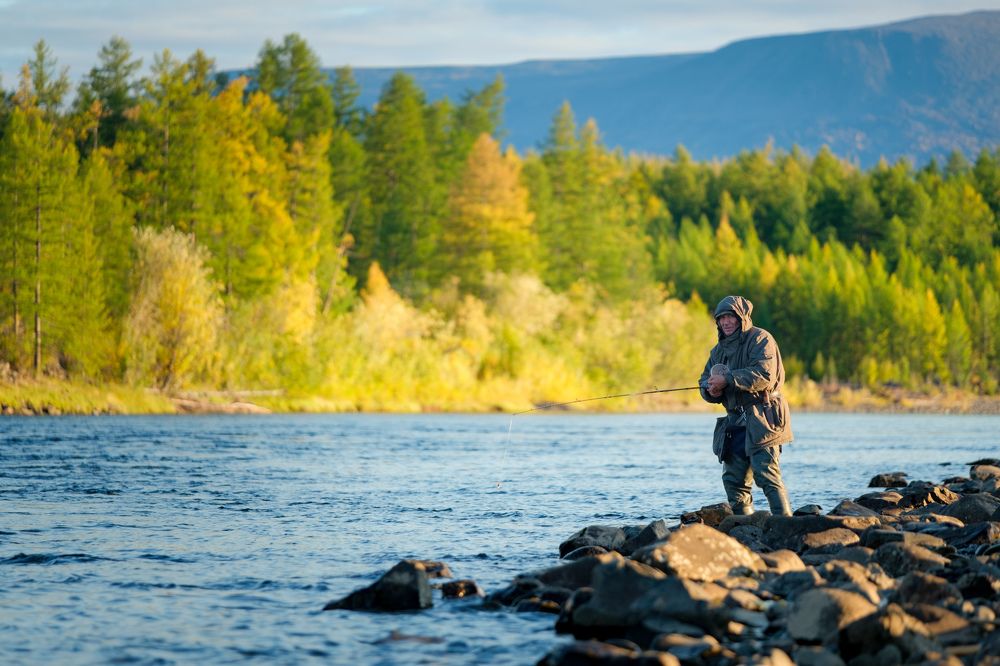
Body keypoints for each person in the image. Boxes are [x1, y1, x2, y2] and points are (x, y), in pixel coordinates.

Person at [699, 295, 793, 516]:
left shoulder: (761, 339)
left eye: (731, 316)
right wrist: (710, 390)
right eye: (721, 318)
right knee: (733, 481)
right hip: (734, 421)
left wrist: (728, 379)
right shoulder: (718, 351)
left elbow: (764, 376)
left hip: (764, 415)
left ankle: (786, 524)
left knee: (766, 474)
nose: (726, 322)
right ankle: (745, 527)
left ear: (742, 317)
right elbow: (704, 379)